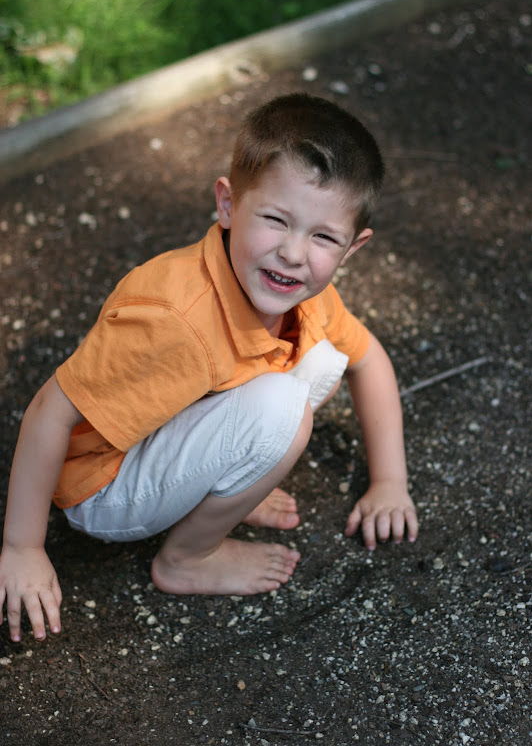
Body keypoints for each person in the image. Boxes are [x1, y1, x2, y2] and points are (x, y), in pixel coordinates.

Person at [0, 93, 418, 643]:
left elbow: (368, 359)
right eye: (276, 220)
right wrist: (22, 548)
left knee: (321, 359)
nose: (294, 253)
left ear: (352, 248)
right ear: (227, 205)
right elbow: (49, 411)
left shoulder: (307, 296)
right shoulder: (175, 319)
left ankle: (222, 490)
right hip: (103, 488)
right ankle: (188, 558)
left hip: (167, 431)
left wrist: (389, 483)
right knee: (283, 410)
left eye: (323, 237)